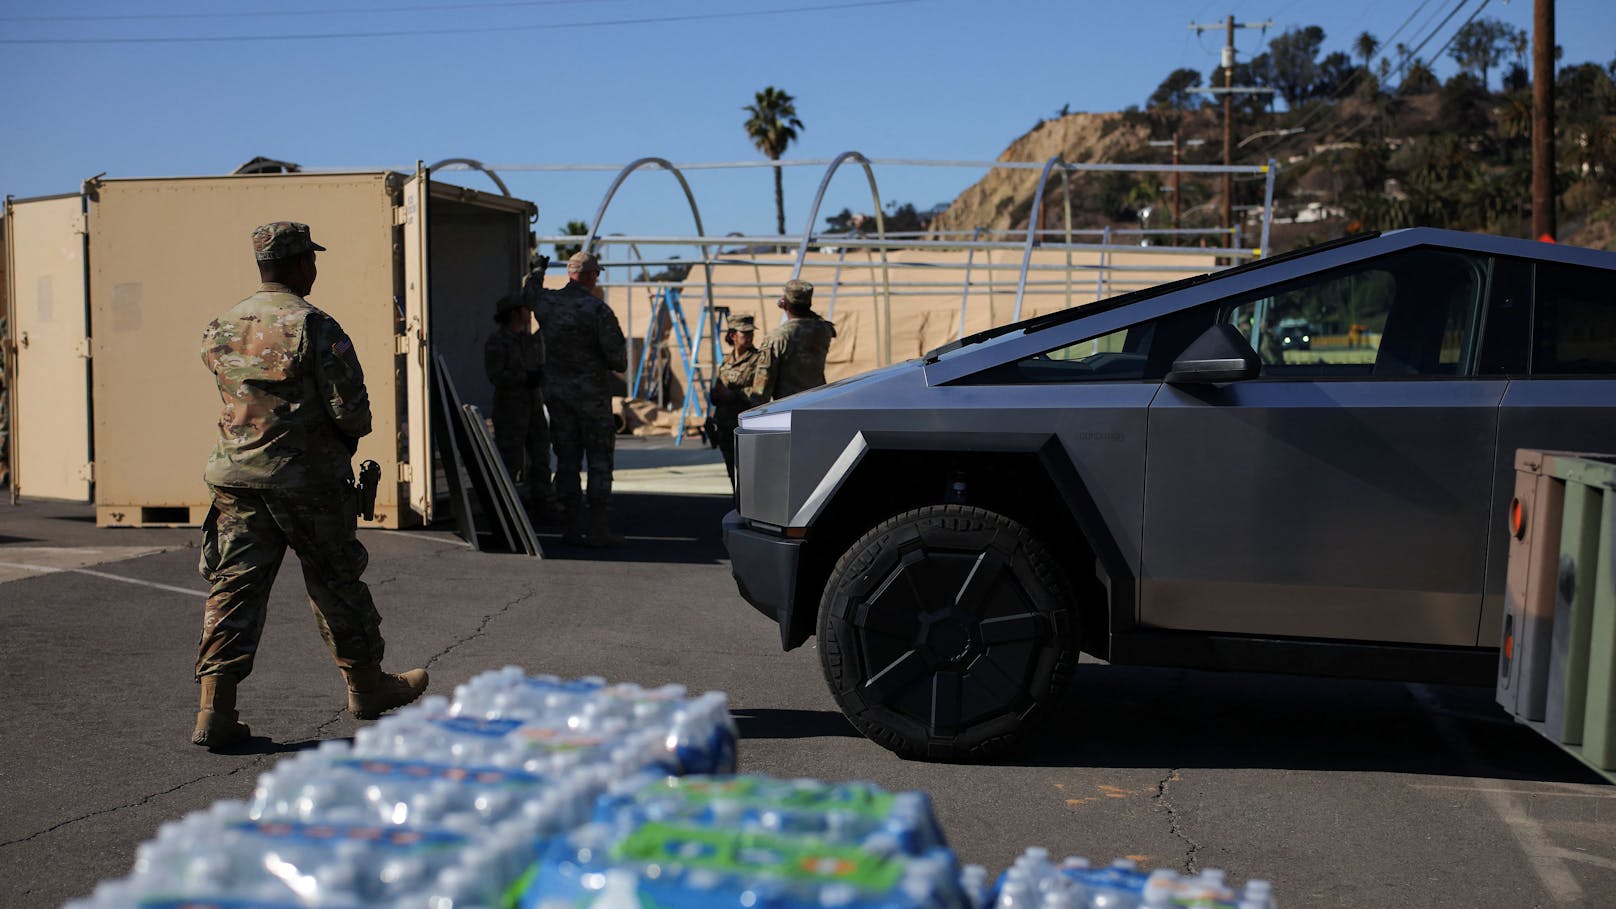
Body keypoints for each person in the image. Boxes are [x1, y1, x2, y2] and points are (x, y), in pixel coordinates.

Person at [192, 221, 428, 749]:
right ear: (301, 263)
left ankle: (215, 709)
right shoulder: (315, 325)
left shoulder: (220, 325)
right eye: (311, 260)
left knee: (233, 588)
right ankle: (367, 687)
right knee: (335, 581)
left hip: (235, 478)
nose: (315, 269)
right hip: (307, 481)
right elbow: (353, 411)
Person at [522, 250, 628, 546]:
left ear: (570, 274)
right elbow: (618, 360)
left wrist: (536, 271)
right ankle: (597, 528)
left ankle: (570, 526)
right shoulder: (598, 311)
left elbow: (529, 294)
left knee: (567, 459)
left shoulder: (548, 303)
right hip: (592, 398)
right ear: (592, 275)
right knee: (598, 460)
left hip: (557, 395)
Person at [484, 293, 558, 519]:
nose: (529, 313)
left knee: (541, 457)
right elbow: (496, 376)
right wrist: (525, 377)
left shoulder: (528, 340)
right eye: (525, 309)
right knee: (510, 460)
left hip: (533, 407)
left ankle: (542, 503)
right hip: (511, 410)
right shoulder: (497, 342)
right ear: (514, 313)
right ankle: (506, 512)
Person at [750, 279, 837, 403]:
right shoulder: (824, 330)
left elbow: (763, 383)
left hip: (788, 407)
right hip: (817, 402)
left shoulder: (777, 338)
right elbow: (817, 320)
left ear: (784, 304)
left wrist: (756, 410)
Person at [708, 314, 760, 490]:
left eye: (751, 333)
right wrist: (717, 394)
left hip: (745, 424)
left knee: (749, 472)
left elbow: (760, 391)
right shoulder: (725, 361)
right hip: (724, 425)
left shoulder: (758, 360)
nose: (749, 337)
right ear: (732, 336)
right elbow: (716, 393)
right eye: (744, 333)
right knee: (732, 472)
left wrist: (734, 395)